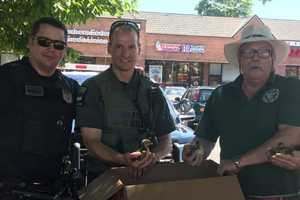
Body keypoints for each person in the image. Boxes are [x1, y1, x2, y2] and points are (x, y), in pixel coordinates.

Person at [183, 24, 300, 200]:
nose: (256, 58)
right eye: (248, 52)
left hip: (280, 194)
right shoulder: (221, 95)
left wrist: (239, 162)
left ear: (272, 58)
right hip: (231, 191)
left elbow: (291, 135)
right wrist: (195, 150)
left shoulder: (291, 87)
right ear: (239, 59)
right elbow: (205, 138)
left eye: (263, 52)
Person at [76, 20, 175, 182]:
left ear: (139, 49)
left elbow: (166, 141)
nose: (125, 54)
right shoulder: (93, 89)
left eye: (131, 47)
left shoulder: (153, 91)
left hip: (147, 180)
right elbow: (92, 142)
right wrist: (123, 159)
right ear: (109, 48)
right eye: (119, 46)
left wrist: (153, 158)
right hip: (105, 179)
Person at [0, 17, 79, 199]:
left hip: (53, 189)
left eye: (58, 45)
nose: (51, 49)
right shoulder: (5, 78)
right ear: (30, 42)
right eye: (44, 42)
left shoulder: (70, 88)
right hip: (8, 189)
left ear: (64, 50)